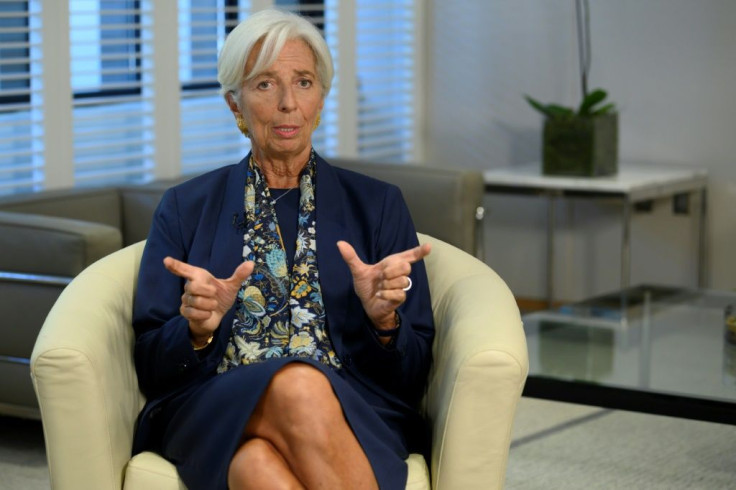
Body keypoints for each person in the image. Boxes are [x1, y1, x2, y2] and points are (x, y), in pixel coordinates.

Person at [132, 8, 434, 490]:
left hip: (352, 400)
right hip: (213, 401)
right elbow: (150, 361)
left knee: (256, 468)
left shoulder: (378, 205)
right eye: (266, 84)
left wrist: (384, 324)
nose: (289, 103)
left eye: (304, 82)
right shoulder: (185, 208)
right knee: (296, 383)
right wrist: (196, 331)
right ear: (236, 104)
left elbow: (414, 370)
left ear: (321, 98)